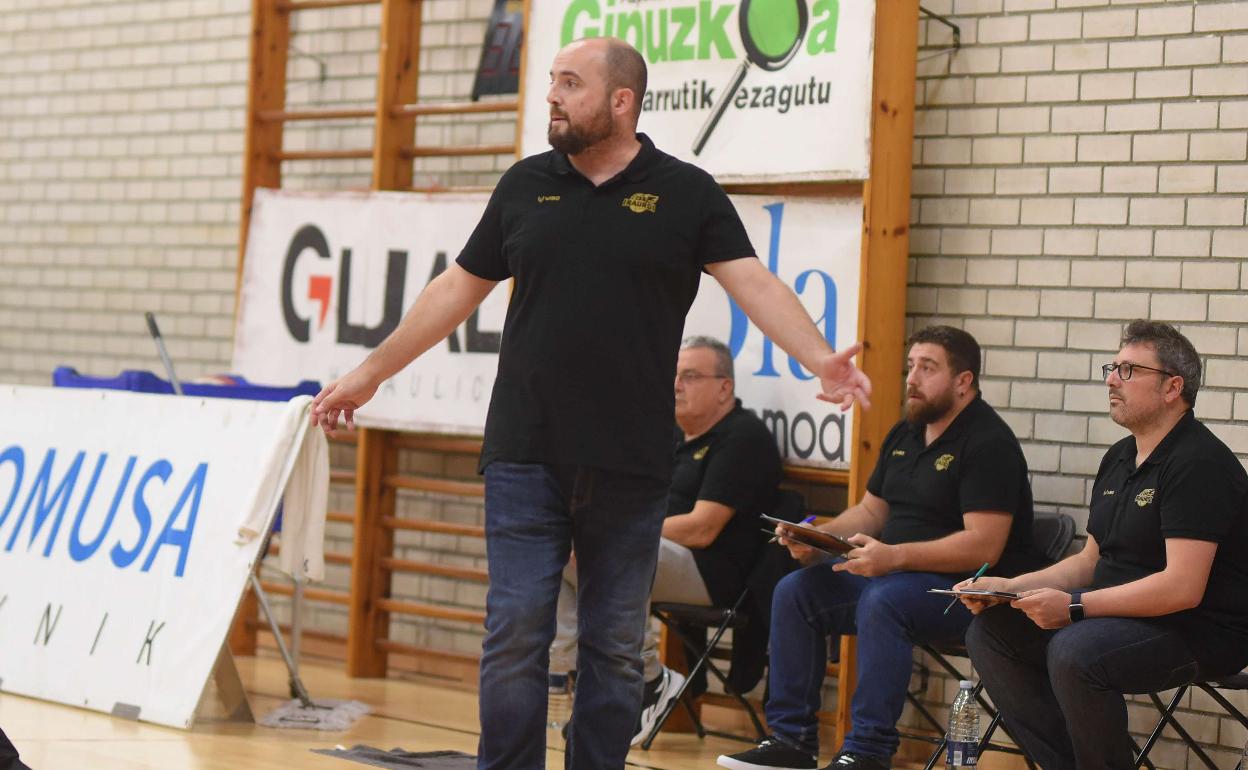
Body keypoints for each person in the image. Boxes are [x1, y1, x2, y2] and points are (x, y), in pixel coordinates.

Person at [310, 36, 872, 770]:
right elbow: (455, 290)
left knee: (612, 646)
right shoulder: (524, 186)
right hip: (525, 452)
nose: (551, 95)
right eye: (552, 81)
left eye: (569, 83)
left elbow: (755, 284)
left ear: (621, 101)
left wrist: (818, 357)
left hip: (632, 463)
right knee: (515, 631)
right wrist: (371, 371)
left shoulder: (685, 193)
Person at [720, 326, 1044, 770]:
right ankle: (790, 741)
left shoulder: (989, 444)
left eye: (927, 368)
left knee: (883, 600)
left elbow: (981, 546)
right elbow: (872, 513)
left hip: (962, 592)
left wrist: (894, 556)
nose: (912, 378)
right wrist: (818, 539)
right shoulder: (905, 434)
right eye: (911, 366)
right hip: (894, 576)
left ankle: (868, 752)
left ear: (963, 381)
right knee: (796, 591)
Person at [961, 320, 1248, 770]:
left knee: (1076, 650)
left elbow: (1182, 588)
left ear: (1173, 387)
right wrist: (1008, 587)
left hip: (1195, 629)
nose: (1112, 379)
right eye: (1112, 367)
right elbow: (1089, 561)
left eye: (1129, 370)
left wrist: (1075, 608)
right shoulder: (1118, 457)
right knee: (993, 632)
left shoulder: (1200, 464)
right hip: (1114, 617)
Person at [549, 336, 783, 744]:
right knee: (556, 548)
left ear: (724, 387)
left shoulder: (742, 438)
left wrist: (617, 529)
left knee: (603, 549)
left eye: (690, 376)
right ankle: (579, 674)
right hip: (659, 557)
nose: (676, 385)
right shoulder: (671, 436)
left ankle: (648, 679)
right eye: (675, 376)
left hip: (710, 572)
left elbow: (702, 528)